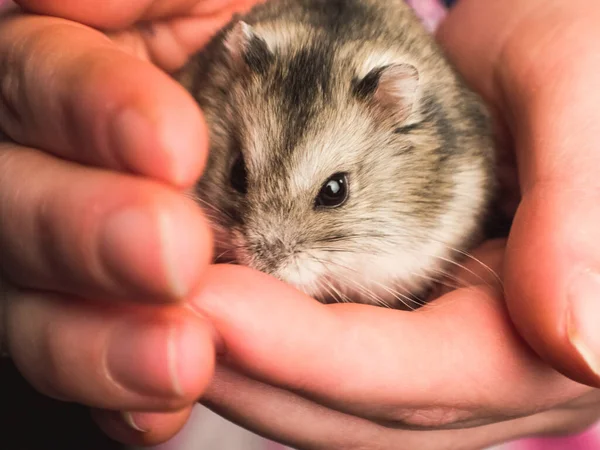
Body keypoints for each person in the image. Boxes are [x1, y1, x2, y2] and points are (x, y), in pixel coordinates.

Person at [0, 0, 599, 448]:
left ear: (399, 115)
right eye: (241, 176)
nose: (266, 252)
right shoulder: (224, 85)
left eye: (332, 193)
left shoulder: (440, 163)